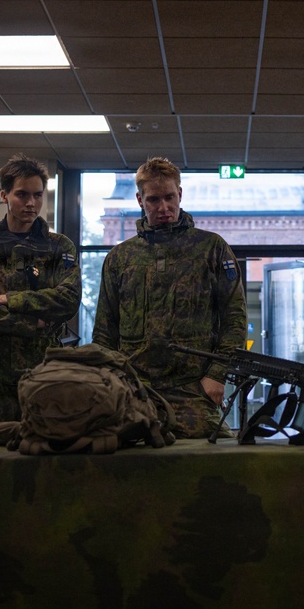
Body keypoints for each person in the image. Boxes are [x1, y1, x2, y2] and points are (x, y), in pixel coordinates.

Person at [92, 156, 247, 439]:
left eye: (169, 197)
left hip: (195, 390)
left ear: (180, 194)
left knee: (214, 465)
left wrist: (217, 374)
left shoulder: (211, 248)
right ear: (140, 200)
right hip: (135, 390)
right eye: (153, 200)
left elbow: (234, 318)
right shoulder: (121, 257)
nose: (163, 208)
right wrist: (107, 382)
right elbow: (104, 330)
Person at [0, 153, 81, 421]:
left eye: (38, 195)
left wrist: (11, 300)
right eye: (22, 195)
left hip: (43, 373)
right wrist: (34, 323)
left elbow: (69, 299)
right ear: (4, 195)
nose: (31, 203)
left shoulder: (59, 246)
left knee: (45, 454)